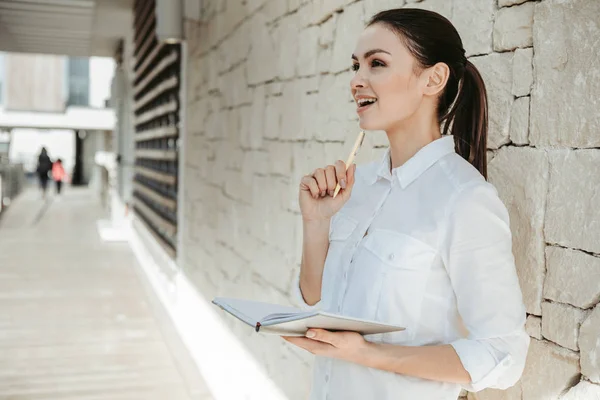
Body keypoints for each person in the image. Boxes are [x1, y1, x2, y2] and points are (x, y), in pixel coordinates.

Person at [286, 8, 530, 400]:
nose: (356, 80)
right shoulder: (355, 186)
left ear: (433, 79)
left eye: (376, 63)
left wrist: (372, 354)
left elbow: (503, 353)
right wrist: (315, 224)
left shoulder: (465, 199)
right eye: (355, 65)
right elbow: (316, 303)